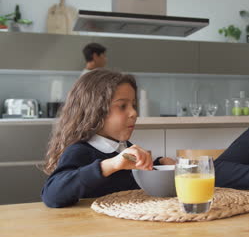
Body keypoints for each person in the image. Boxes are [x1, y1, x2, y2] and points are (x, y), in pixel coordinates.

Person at [42, 69, 175, 208]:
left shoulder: (123, 147)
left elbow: (129, 177)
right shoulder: (79, 151)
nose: (134, 113)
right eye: (122, 106)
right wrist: (111, 165)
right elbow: (52, 195)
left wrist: (159, 164)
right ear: (96, 111)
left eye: (133, 105)